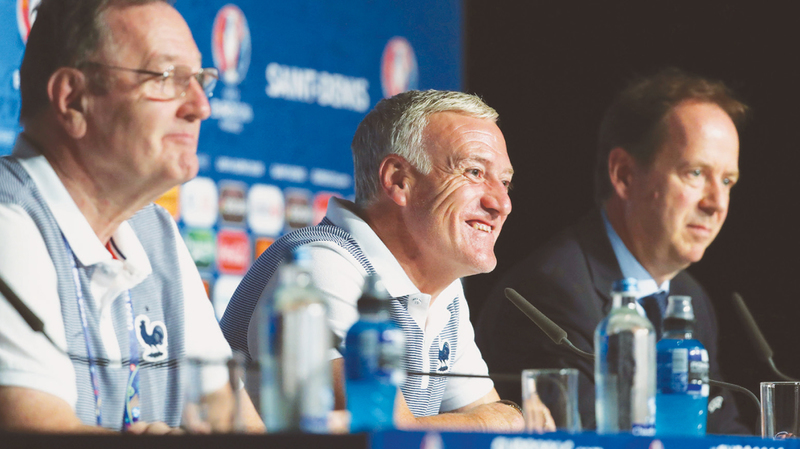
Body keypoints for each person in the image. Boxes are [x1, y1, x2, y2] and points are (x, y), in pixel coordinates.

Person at [0, 0, 263, 433]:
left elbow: (230, 418)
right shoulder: (9, 216)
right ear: (73, 99)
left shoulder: (153, 230)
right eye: (166, 77)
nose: (200, 107)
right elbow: (35, 432)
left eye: (199, 80)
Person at [221, 90, 543, 432]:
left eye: (505, 182)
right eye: (475, 172)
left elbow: (485, 418)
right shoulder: (317, 265)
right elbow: (380, 430)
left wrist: (493, 418)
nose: (502, 203)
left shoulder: (444, 290)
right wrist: (499, 418)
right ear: (398, 180)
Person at [475, 68, 750, 434]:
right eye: (695, 173)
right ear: (623, 174)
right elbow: (602, 439)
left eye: (727, 180)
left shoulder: (689, 299)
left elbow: (723, 431)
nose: (717, 203)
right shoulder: (552, 293)